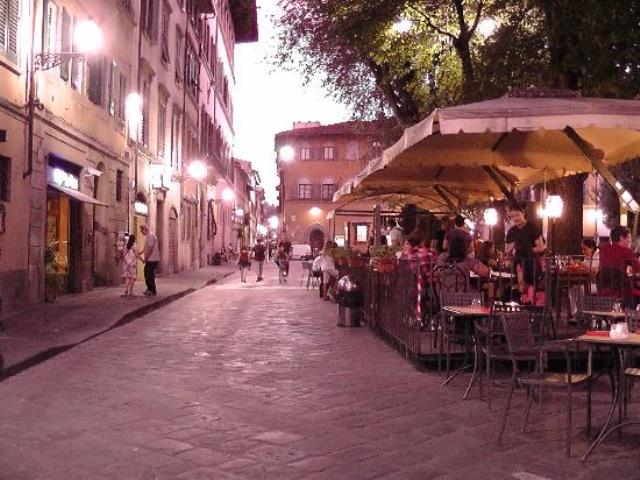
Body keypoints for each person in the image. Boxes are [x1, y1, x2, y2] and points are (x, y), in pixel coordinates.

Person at [505, 203, 545, 298]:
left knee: (531, 289)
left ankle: (530, 302)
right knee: (516, 288)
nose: (515, 218)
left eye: (517, 215)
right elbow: (507, 250)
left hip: (531, 263)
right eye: (512, 216)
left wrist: (525, 249)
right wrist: (510, 250)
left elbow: (541, 247)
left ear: (523, 213)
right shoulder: (511, 232)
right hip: (517, 263)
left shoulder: (532, 228)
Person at [598, 225, 640, 297]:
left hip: (603, 290)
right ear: (621, 237)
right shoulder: (626, 251)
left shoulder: (603, 249)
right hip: (622, 291)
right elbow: (638, 268)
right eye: (628, 239)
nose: (629, 242)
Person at [140, 224, 160, 297]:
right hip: (151, 259)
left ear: (145, 230)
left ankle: (152, 290)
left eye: (141, 231)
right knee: (148, 274)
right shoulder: (149, 236)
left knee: (149, 274)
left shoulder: (151, 236)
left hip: (152, 259)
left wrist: (146, 258)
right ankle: (150, 289)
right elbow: (146, 248)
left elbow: (150, 248)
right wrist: (140, 253)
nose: (141, 232)